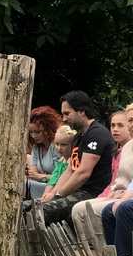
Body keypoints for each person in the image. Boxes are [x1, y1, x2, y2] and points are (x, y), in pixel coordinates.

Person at [42, 91, 114, 226]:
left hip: (92, 194)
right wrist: (51, 194)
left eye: (67, 113)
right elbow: (70, 171)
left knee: (41, 213)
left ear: (81, 111)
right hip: (78, 192)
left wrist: (57, 195)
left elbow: (83, 173)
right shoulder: (78, 137)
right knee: (28, 207)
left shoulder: (97, 134)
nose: (63, 119)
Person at [72, 109, 133, 245]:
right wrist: (107, 195)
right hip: (117, 193)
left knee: (96, 210)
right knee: (78, 208)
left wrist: (118, 197)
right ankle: (90, 247)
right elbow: (115, 181)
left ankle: (106, 248)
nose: (115, 129)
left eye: (120, 125)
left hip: (126, 196)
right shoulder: (123, 149)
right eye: (112, 125)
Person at [24, 106, 62, 201]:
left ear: (48, 128)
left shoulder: (56, 147)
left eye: (37, 132)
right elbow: (33, 174)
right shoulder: (36, 148)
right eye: (31, 132)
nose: (34, 136)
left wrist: (41, 177)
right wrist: (41, 177)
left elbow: (61, 176)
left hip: (54, 188)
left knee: (23, 185)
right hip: (41, 185)